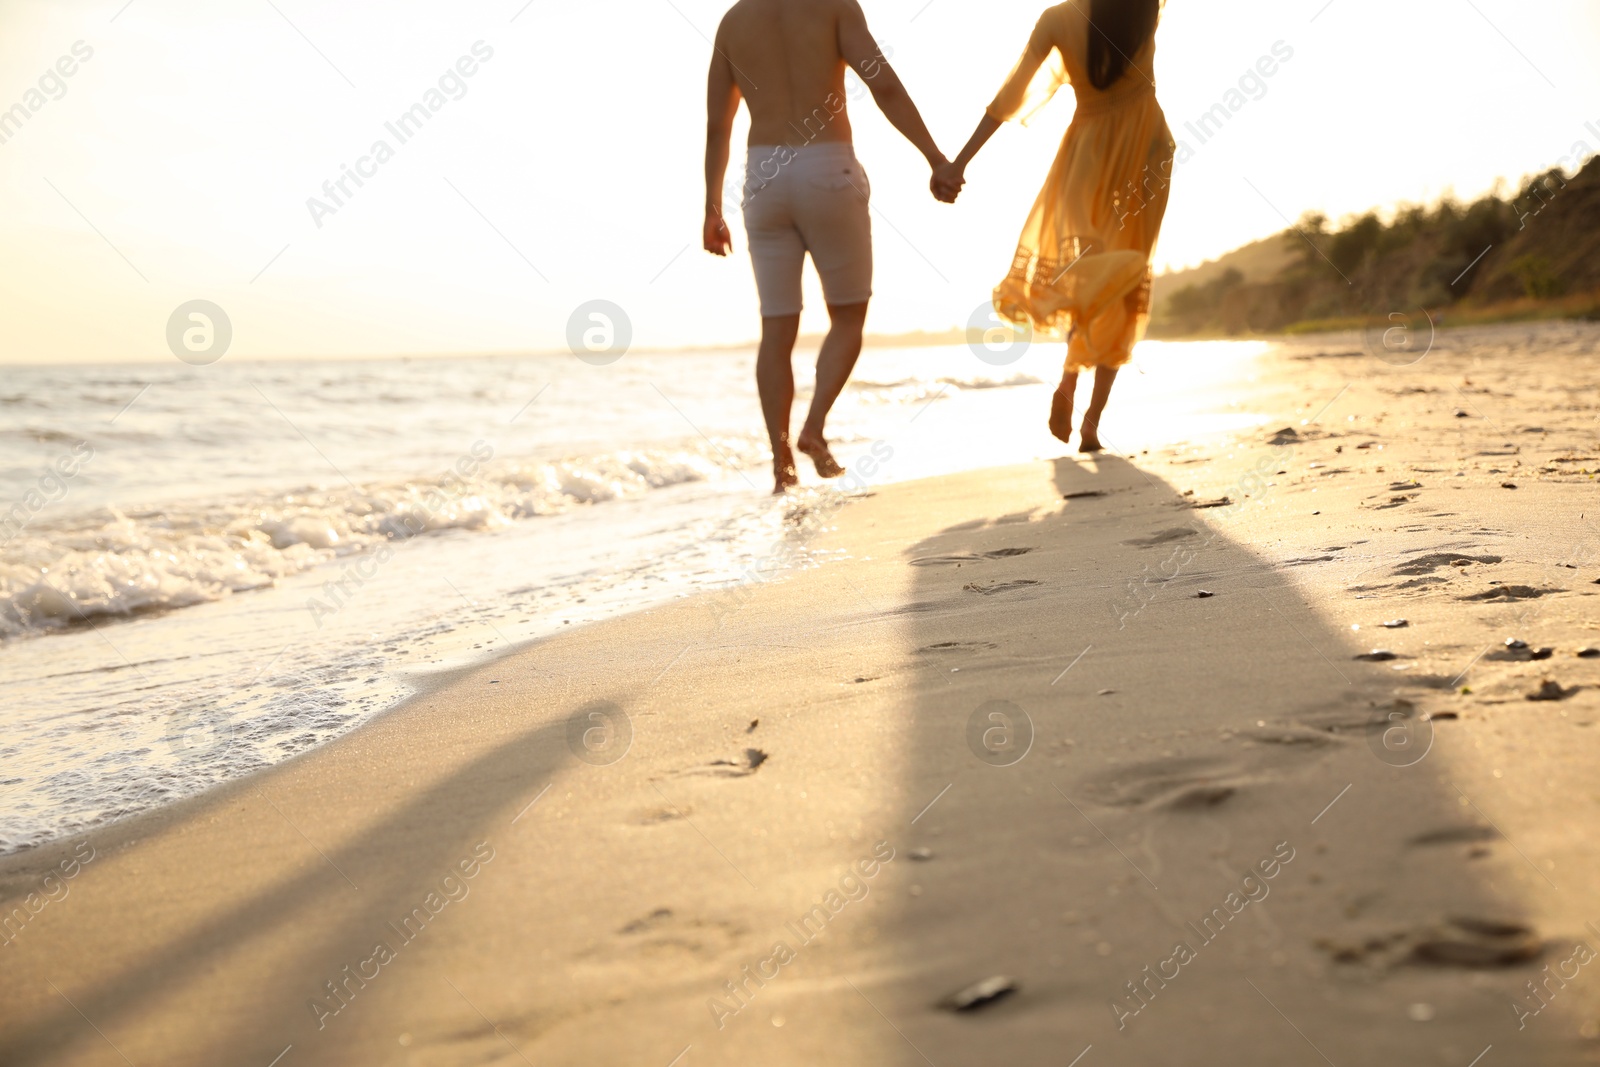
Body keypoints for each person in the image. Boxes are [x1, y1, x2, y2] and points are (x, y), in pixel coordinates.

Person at [703, 0, 948, 493]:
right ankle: (814, 427)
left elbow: (718, 126)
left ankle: (781, 464)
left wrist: (712, 208)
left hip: (763, 175)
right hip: (826, 166)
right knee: (849, 316)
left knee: (777, 329)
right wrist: (935, 157)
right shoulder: (834, 5)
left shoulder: (733, 21)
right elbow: (883, 85)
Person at [934, 0, 1174, 452]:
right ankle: (1091, 424)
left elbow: (1008, 98)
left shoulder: (1057, 19)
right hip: (1147, 151)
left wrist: (959, 162)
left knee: (1088, 272)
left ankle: (1069, 382)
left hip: (1087, 154)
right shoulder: (1142, 5)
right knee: (1122, 281)